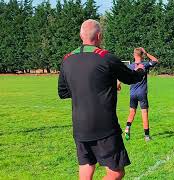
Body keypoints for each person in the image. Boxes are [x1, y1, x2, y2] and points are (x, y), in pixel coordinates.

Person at [58, 19, 146, 180]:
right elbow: (131, 78)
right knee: (116, 172)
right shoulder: (106, 58)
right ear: (99, 36)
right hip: (104, 126)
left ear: (80, 35)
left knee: (86, 167)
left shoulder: (67, 59)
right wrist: (140, 69)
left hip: (79, 125)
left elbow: (63, 92)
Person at [122, 47, 158, 141]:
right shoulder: (145, 64)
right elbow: (155, 60)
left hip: (132, 93)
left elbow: (122, 76)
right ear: (142, 55)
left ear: (134, 55)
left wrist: (118, 84)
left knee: (132, 112)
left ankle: (127, 128)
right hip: (142, 93)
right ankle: (146, 136)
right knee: (144, 113)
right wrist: (146, 53)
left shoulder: (130, 66)